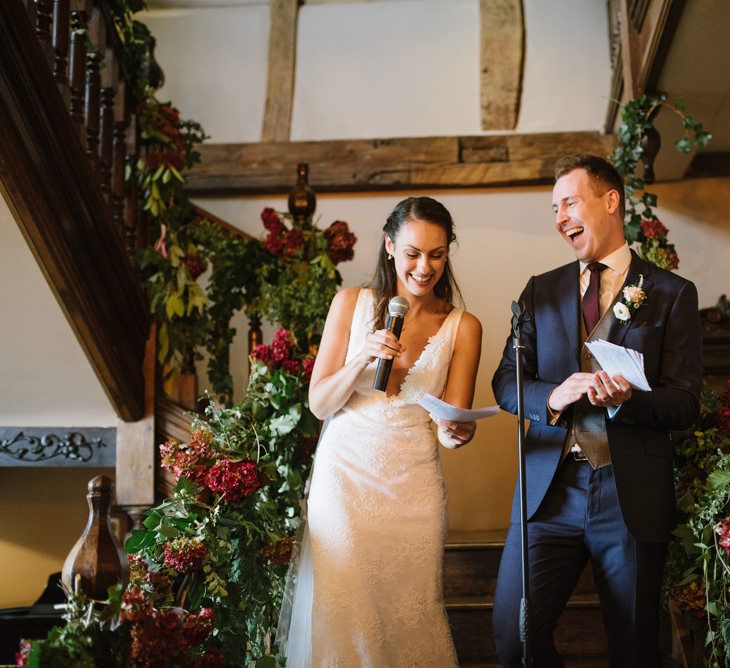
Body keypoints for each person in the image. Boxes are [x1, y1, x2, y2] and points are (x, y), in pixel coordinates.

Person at [491, 153, 703, 667]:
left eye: (570, 202)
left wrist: (630, 400)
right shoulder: (540, 290)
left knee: (633, 649)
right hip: (548, 492)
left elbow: (685, 402)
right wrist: (553, 396)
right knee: (513, 639)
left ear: (610, 201)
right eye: (554, 208)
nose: (561, 216)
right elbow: (505, 383)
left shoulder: (672, 294)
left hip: (626, 493)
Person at [279, 196, 482, 667]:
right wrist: (358, 360)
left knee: (412, 617)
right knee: (345, 617)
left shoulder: (463, 327)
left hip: (414, 487)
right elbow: (319, 403)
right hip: (344, 481)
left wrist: (457, 433)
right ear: (390, 247)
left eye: (436, 254)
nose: (424, 267)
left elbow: (451, 421)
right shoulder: (350, 304)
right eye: (412, 253)